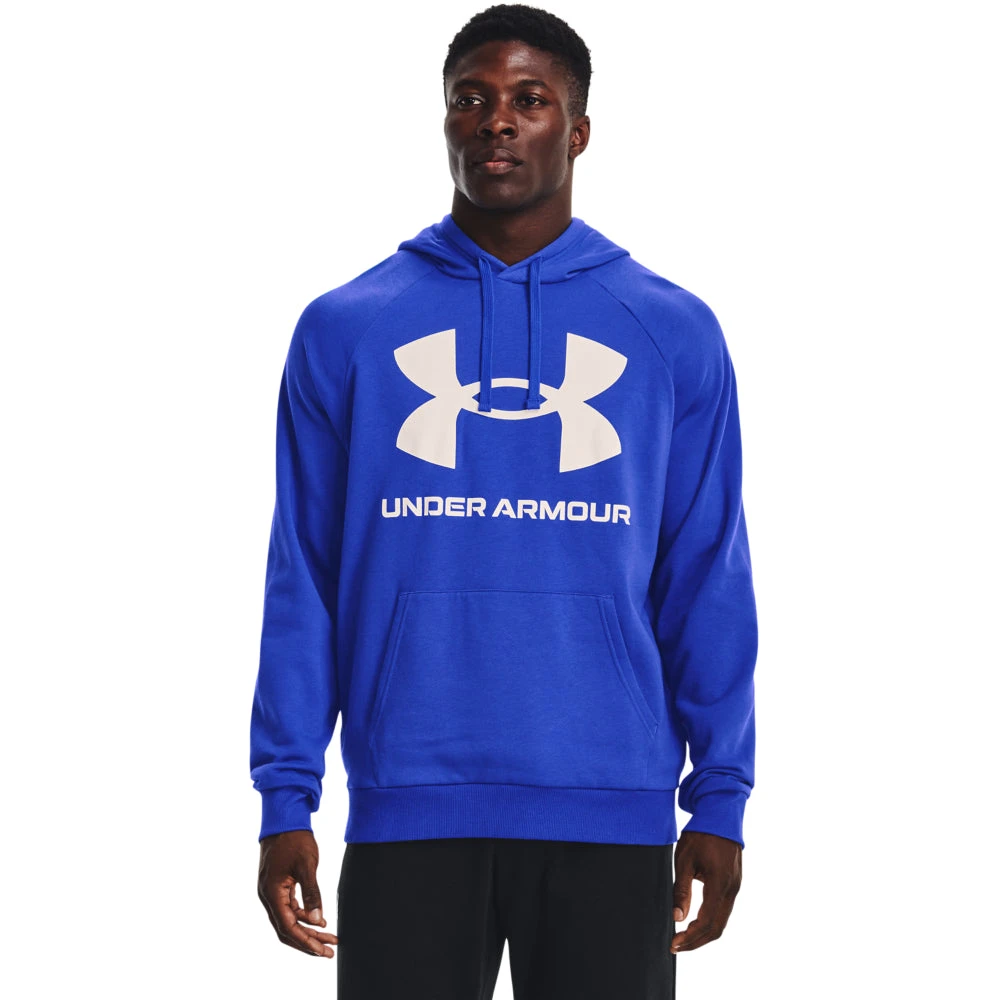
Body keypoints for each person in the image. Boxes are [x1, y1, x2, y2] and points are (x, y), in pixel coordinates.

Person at [250, 4, 757, 997]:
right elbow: (302, 575)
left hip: (612, 808)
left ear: (578, 129)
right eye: (471, 100)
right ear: (444, 120)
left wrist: (721, 798)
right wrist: (285, 795)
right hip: (408, 805)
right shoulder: (346, 328)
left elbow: (707, 574)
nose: (496, 121)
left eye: (530, 100)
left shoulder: (671, 331)